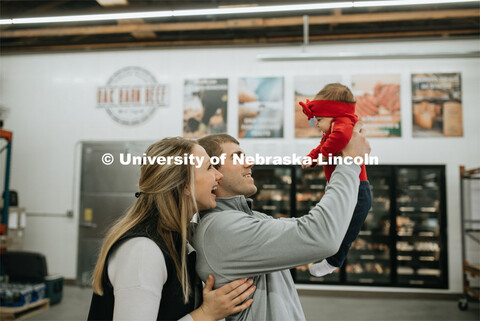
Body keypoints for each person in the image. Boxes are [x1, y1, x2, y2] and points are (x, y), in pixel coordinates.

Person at [193, 129, 371, 321]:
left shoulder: (251, 218)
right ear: (214, 172)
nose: (249, 163)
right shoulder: (221, 229)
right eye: (236, 158)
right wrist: (349, 162)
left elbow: (324, 227)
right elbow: (321, 236)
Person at [87, 137, 256, 321]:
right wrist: (205, 314)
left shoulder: (176, 239)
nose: (218, 175)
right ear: (184, 184)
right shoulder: (143, 250)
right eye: (209, 167)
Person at [299, 83, 372, 277]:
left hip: (358, 190)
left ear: (333, 114)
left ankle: (334, 261)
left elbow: (339, 138)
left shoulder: (343, 125)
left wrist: (323, 154)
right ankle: (326, 251)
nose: (316, 124)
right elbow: (323, 145)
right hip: (341, 186)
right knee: (333, 223)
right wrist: (312, 157)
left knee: (349, 228)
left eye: (319, 119)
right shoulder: (331, 130)